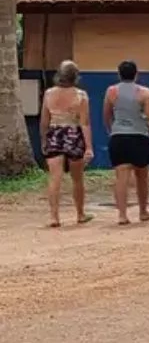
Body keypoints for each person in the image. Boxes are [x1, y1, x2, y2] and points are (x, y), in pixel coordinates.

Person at [103, 60, 149, 225]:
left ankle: (122, 215)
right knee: (142, 176)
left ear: (119, 74)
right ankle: (143, 211)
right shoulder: (144, 93)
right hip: (139, 137)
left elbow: (106, 115)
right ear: (136, 74)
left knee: (121, 177)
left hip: (118, 137)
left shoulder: (111, 91)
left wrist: (111, 130)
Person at [38, 62, 90, 227]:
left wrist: (44, 140)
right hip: (74, 134)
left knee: (55, 177)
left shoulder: (48, 94)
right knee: (77, 178)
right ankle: (80, 214)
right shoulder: (81, 95)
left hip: (54, 133)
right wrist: (89, 147)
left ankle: (54, 217)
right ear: (75, 76)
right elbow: (85, 123)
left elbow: (44, 121)